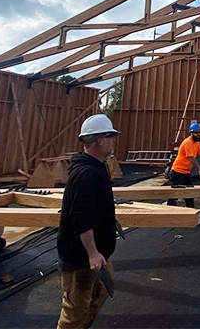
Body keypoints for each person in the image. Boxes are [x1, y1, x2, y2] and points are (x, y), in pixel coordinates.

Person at [56, 114, 120, 329]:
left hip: (97, 254)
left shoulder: (97, 167)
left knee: (100, 293)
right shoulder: (86, 173)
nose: (113, 140)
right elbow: (81, 217)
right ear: (100, 140)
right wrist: (92, 253)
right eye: (110, 136)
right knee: (75, 311)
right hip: (81, 259)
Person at [167, 122, 200, 207]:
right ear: (191, 133)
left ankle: (191, 210)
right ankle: (170, 212)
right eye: (196, 132)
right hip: (178, 172)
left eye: (199, 132)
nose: (198, 134)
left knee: (189, 193)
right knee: (174, 194)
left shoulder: (196, 143)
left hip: (186, 172)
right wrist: (199, 168)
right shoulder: (188, 142)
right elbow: (191, 158)